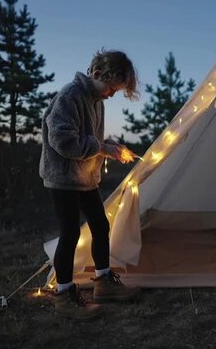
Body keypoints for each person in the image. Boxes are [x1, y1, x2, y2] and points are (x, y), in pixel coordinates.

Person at [39, 49, 140, 319]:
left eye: (116, 91)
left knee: (100, 225)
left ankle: (104, 281)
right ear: (97, 74)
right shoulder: (70, 96)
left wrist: (110, 148)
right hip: (62, 178)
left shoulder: (97, 101)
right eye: (110, 88)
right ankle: (64, 294)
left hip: (86, 178)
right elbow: (62, 141)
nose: (111, 94)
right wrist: (103, 148)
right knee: (70, 232)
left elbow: (93, 141)